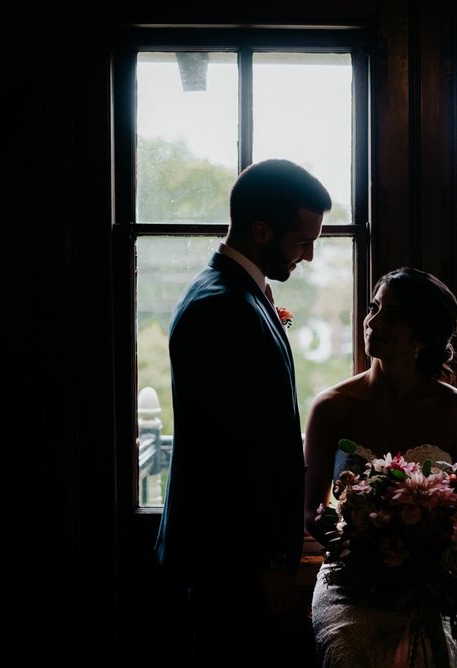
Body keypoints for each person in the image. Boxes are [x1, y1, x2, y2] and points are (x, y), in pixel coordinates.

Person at [155, 158, 331, 665]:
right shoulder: (223, 307)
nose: (310, 256)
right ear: (260, 231)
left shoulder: (234, 293)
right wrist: (272, 563)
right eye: (302, 242)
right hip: (230, 557)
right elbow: (233, 454)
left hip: (234, 552)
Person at [303, 266, 457, 667]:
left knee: (427, 652)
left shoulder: (455, 410)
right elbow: (311, 512)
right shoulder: (331, 408)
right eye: (373, 308)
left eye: (394, 315)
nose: (374, 322)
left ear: (424, 334)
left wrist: (426, 546)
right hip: (350, 584)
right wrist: (360, 538)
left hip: (431, 586)